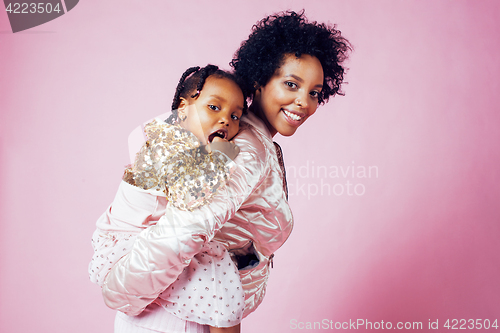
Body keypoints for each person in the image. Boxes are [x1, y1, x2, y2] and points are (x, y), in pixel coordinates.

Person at [89, 10, 350, 333]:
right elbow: (185, 227)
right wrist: (122, 294)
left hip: (188, 312)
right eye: (291, 84)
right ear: (260, 79)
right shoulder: (247, 148)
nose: (303, 102)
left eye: (313, 92)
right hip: (178, 318)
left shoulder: (241, 138)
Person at [91, 64, 248, 333]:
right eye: (214, 107)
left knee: (213, 261)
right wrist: (223, 157)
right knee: (217, 268)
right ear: (183, 109)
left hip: (146, 239)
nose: (226, 120)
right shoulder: (165, 143)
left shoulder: (192, 146)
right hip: (125, 242)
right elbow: (189, 196)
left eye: (236, 116)